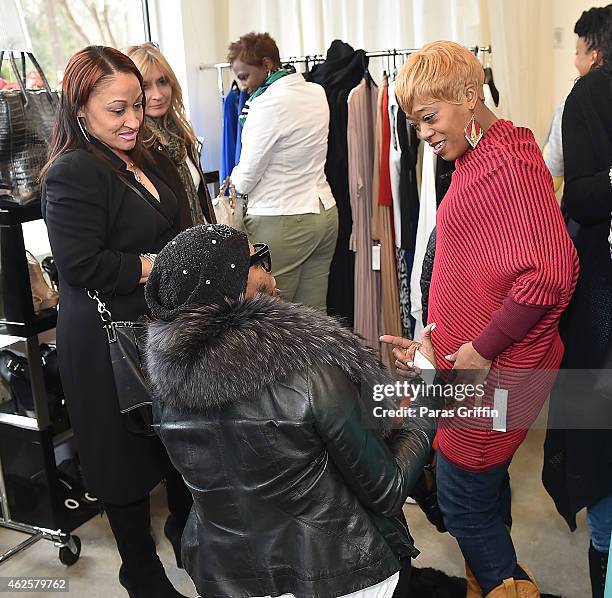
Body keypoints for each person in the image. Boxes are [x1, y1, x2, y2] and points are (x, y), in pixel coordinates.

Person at [143, 223, 443, 598]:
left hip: (227, 577)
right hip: (340, 576)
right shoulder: (310, 376)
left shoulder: (165, 390)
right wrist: (428, 388)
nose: (272, 271)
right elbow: (387, 489)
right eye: (258, 260)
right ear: (233, 286)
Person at [390, 41, 579, 597]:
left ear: (470, 98)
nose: (422, 133)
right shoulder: (487, 155)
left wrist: (482, 348)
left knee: (463, 498)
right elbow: (484, 268)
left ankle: (505, 584)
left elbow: (550, 273)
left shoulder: (508, 166)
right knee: (485, 491)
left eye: (430, 116)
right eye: (414, 121)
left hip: (498, 374)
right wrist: (434, 345)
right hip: (477, 369)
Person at [40, 46, 191, 598]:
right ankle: (141, 571)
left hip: (158, 324)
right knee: (121, 456)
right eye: (118, 110)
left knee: (177, 439)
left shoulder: (145, 154)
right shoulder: (72, 172)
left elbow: (173, 221)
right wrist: (158, 264)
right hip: (106, 338)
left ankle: (186, 531)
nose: (134, 119)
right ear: (82, 110)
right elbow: (81, 264)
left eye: (136, 105)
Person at [542, 12, 612, 598]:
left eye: (577, 47)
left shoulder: (584, 98)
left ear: (593, 49)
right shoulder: (584, 97)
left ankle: (602, 552)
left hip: (599, 287)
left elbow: (561, 179)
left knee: (597, 422)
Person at [228, 32, 338, 309]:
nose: (241, 87)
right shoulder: (316, 92)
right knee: (314, 317)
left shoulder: (267, 105)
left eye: (244, 76)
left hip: (282, 217)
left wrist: (233, 178)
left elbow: (247, 177)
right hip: (323, 213)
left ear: (267, 64)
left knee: (273, 318)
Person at [126, 42, 216, 230]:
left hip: (204, 240)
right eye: (145, 86)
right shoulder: (135, 145)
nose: (158, 94)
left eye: (162, 81)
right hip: (173, 252)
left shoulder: (181, 135)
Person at [543, 5, 612, 195]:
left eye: (578, 53)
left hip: (591, 215)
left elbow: (550, 172)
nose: (575, 61)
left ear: (594, 55)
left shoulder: (572, 104)